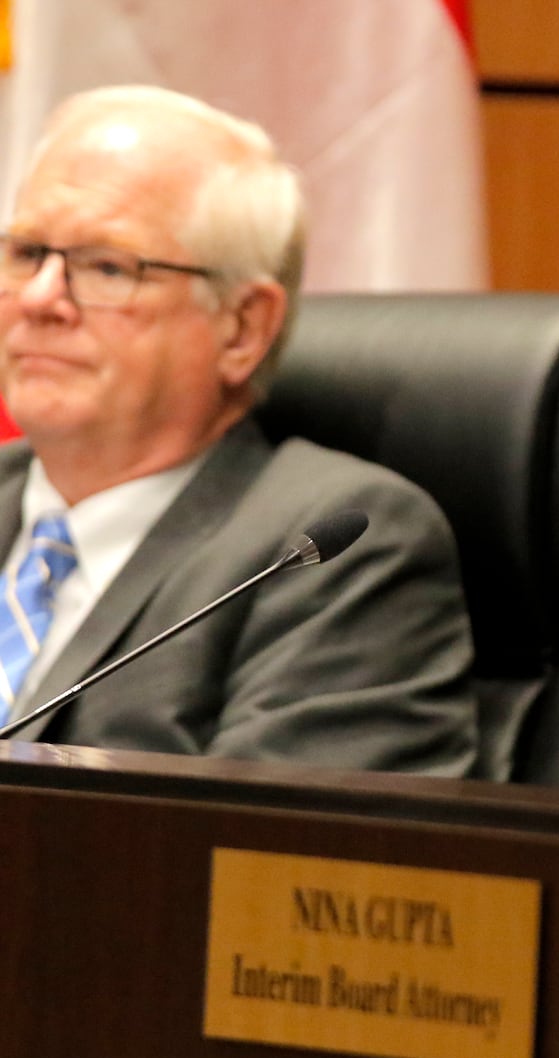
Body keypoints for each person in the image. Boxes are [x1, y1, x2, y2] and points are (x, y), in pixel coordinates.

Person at [0, 85, 476, 773]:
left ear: (242, 326)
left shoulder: (333, 552)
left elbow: (280, 861)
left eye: (107, 266)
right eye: (26, 253)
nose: (41, 300)